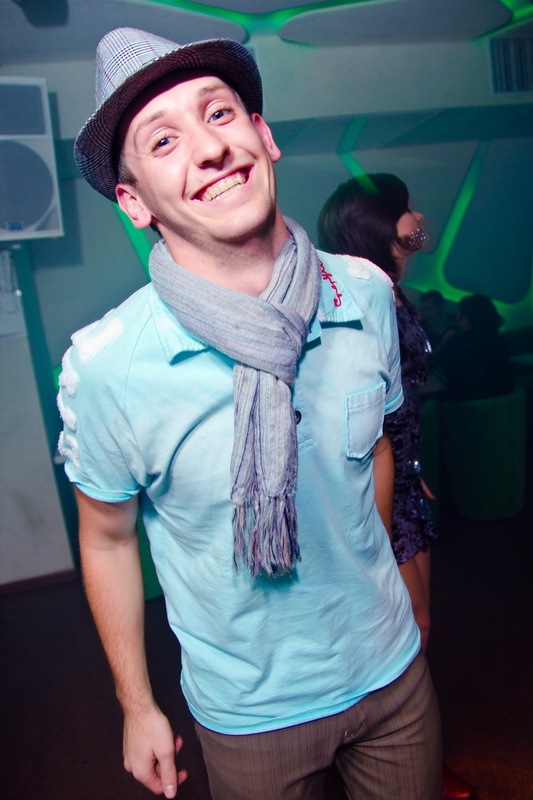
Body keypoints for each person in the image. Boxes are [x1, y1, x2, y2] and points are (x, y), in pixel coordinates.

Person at [57, 29, 442, 800]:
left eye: (220, 113)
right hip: (249, 714)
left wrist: (378, 591)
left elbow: (378, 451)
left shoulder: (365, 293)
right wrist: (136, 704)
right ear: (134, 203)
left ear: (262, 137)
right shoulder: (106, 367)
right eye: (163, 140)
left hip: (393, 675)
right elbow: (106, 538)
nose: (209, 148)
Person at [317, 173, 476, 800]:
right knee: (404, 630)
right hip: (372, 491)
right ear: (378, 224)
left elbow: (394, 401)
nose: (419, 216)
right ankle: (392, 758)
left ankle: (411, 754)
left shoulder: (390, 291)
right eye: (405, 208)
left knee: (417, 626)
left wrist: (412, 468)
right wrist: (382, 482)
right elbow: (349, 406)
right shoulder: (360, 298)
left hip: (402, 481)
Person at [431, 293, 513, 403]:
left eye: (459, 313)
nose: (456, 318)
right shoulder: (500, 342)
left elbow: (428, 364)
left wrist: (444, 342)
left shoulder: (455, 344)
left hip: (465, 407)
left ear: (466, 319)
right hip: (505, 405)